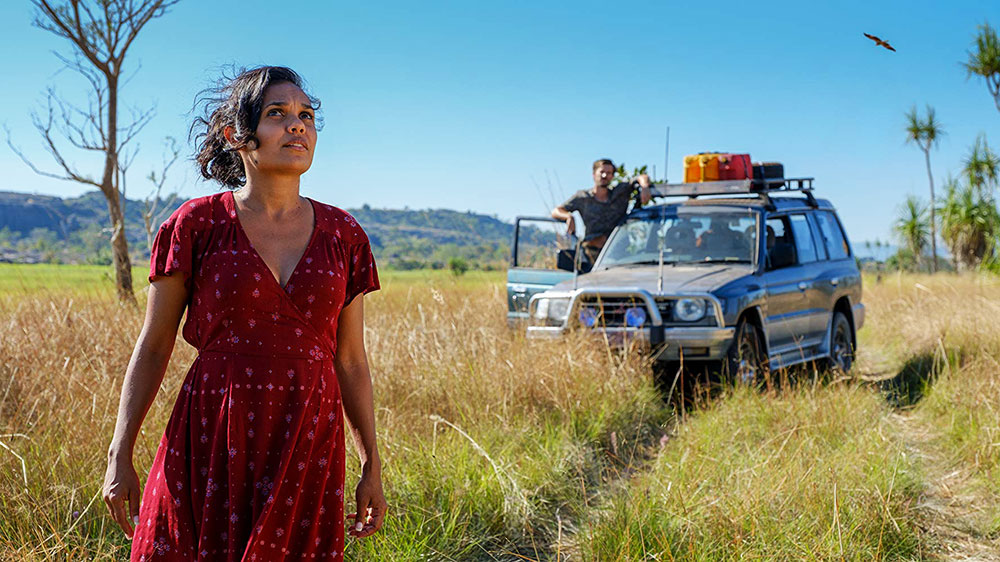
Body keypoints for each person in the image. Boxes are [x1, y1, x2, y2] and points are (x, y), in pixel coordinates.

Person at [101, 66, 386, 561]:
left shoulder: (344, 236)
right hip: (212, 435)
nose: (297, 125)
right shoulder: (196, 225)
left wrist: (371, 465)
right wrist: (119, 453)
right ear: (238, 135)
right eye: (277, 113)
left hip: (307, 437)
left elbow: (351, 361)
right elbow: (154, 343)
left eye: (307, 116)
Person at [551, 158, 651, 263]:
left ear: (612, 176)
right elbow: (556, 211)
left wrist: (645, 187)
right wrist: (568, 216)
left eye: (608, 173)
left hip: (619, 254)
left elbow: (642, 177)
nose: (604, 176)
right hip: (591, 254)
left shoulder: (620, 193)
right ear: (594, 174)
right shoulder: (583, 197)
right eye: (602, 172)